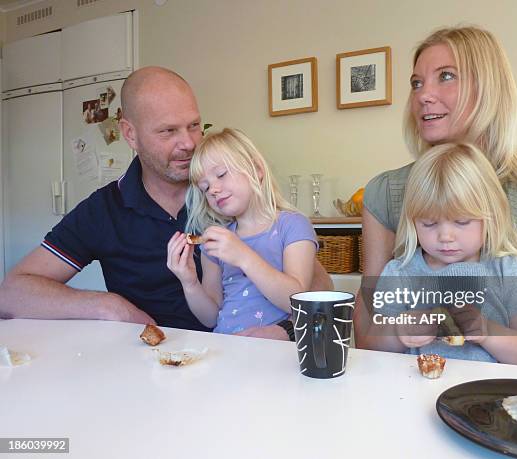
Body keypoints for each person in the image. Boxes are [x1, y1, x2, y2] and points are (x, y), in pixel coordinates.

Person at [0, 66, 332, 339]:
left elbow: (317, 285)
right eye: (168, 131)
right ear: (130, 135)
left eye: (193, 125)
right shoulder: (103, 210)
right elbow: (12, 293)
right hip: (150, 369)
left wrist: (285, 329)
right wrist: (109, 306)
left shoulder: (230, 195)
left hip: (242, 355)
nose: (188, 143)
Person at [355, 26, 517, 368]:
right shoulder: (384, 191)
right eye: (416, 83)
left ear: (488, 88)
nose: (423, 95)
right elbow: (370, 316)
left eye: (445, 76)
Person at [373, 143, 517, 366]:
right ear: (412, 222)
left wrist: (488, 331)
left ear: (491, 217)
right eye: (429, 223)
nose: (445, 236)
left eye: (462, 221)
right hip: (412, 389)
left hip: (488, 395)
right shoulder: (399, 272)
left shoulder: (509, 271)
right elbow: (372, 346)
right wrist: (399, 330)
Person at [167, 128, 317, 335]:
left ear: (257, 169)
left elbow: (297, 302)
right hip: (225, 348)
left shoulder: (293, 225)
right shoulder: (215, 242)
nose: (213, 189)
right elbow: (210, 317)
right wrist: (189, 282)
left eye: (221, 174)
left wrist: (243, 256)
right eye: (205, 187)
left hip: (275, 352)